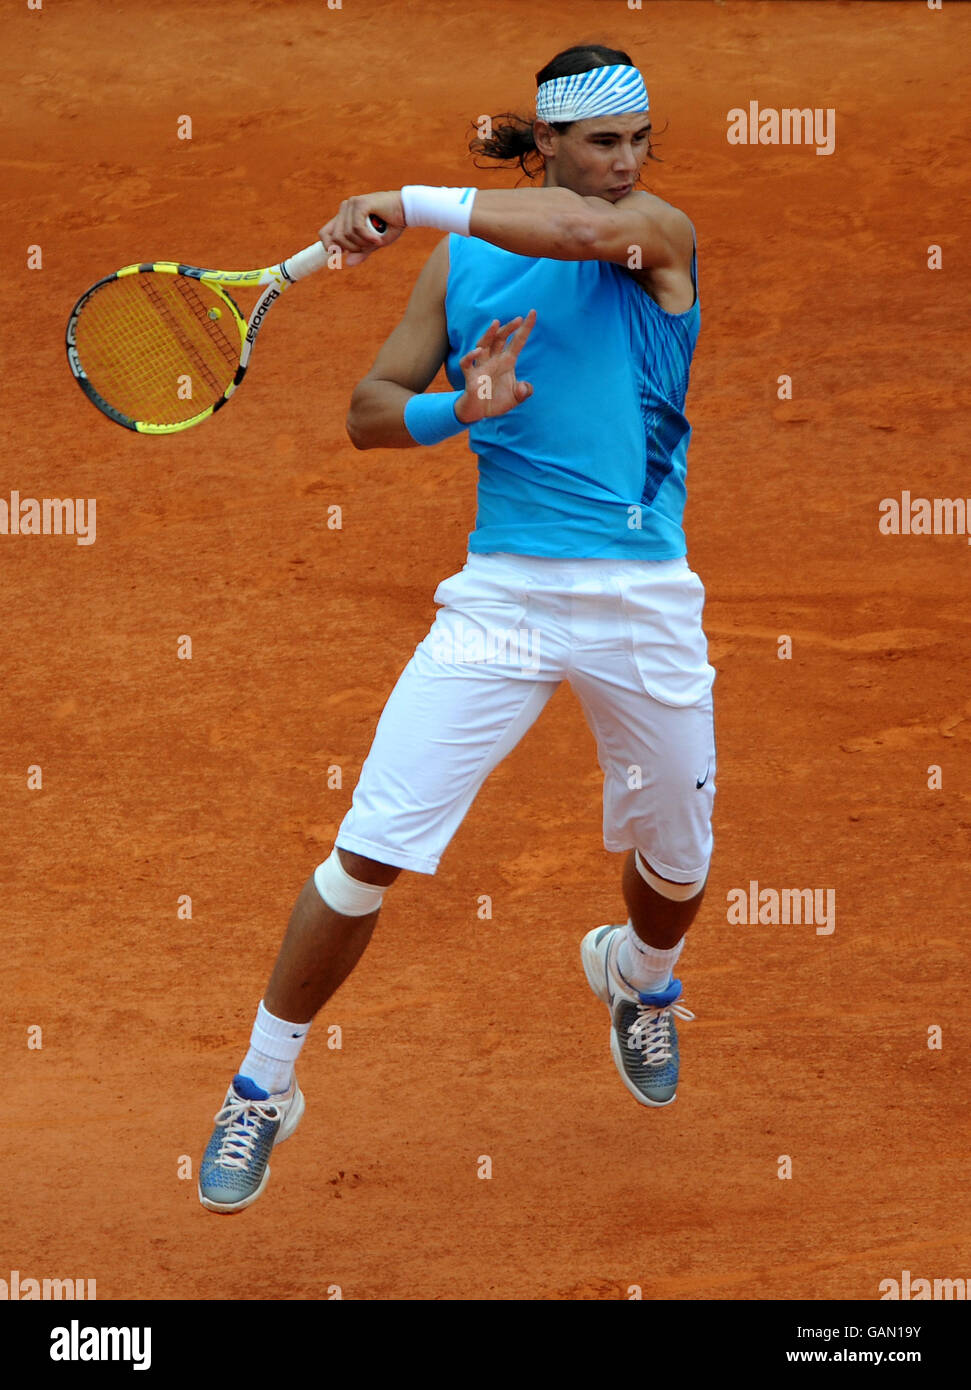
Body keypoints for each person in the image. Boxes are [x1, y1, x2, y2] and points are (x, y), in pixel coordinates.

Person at [199, 42, 716, 1215]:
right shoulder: (460, 260)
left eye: (639, 139)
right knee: (367, 849)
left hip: (642, 599)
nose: (624, 163)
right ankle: (260, 1084)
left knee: (677, 866)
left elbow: (583, 235)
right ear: (545, 144)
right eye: (599, 142)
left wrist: (405, 197)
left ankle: (638, 979)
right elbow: (367, 413)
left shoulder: (655, 238)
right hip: (500, 601)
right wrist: (455, 407)